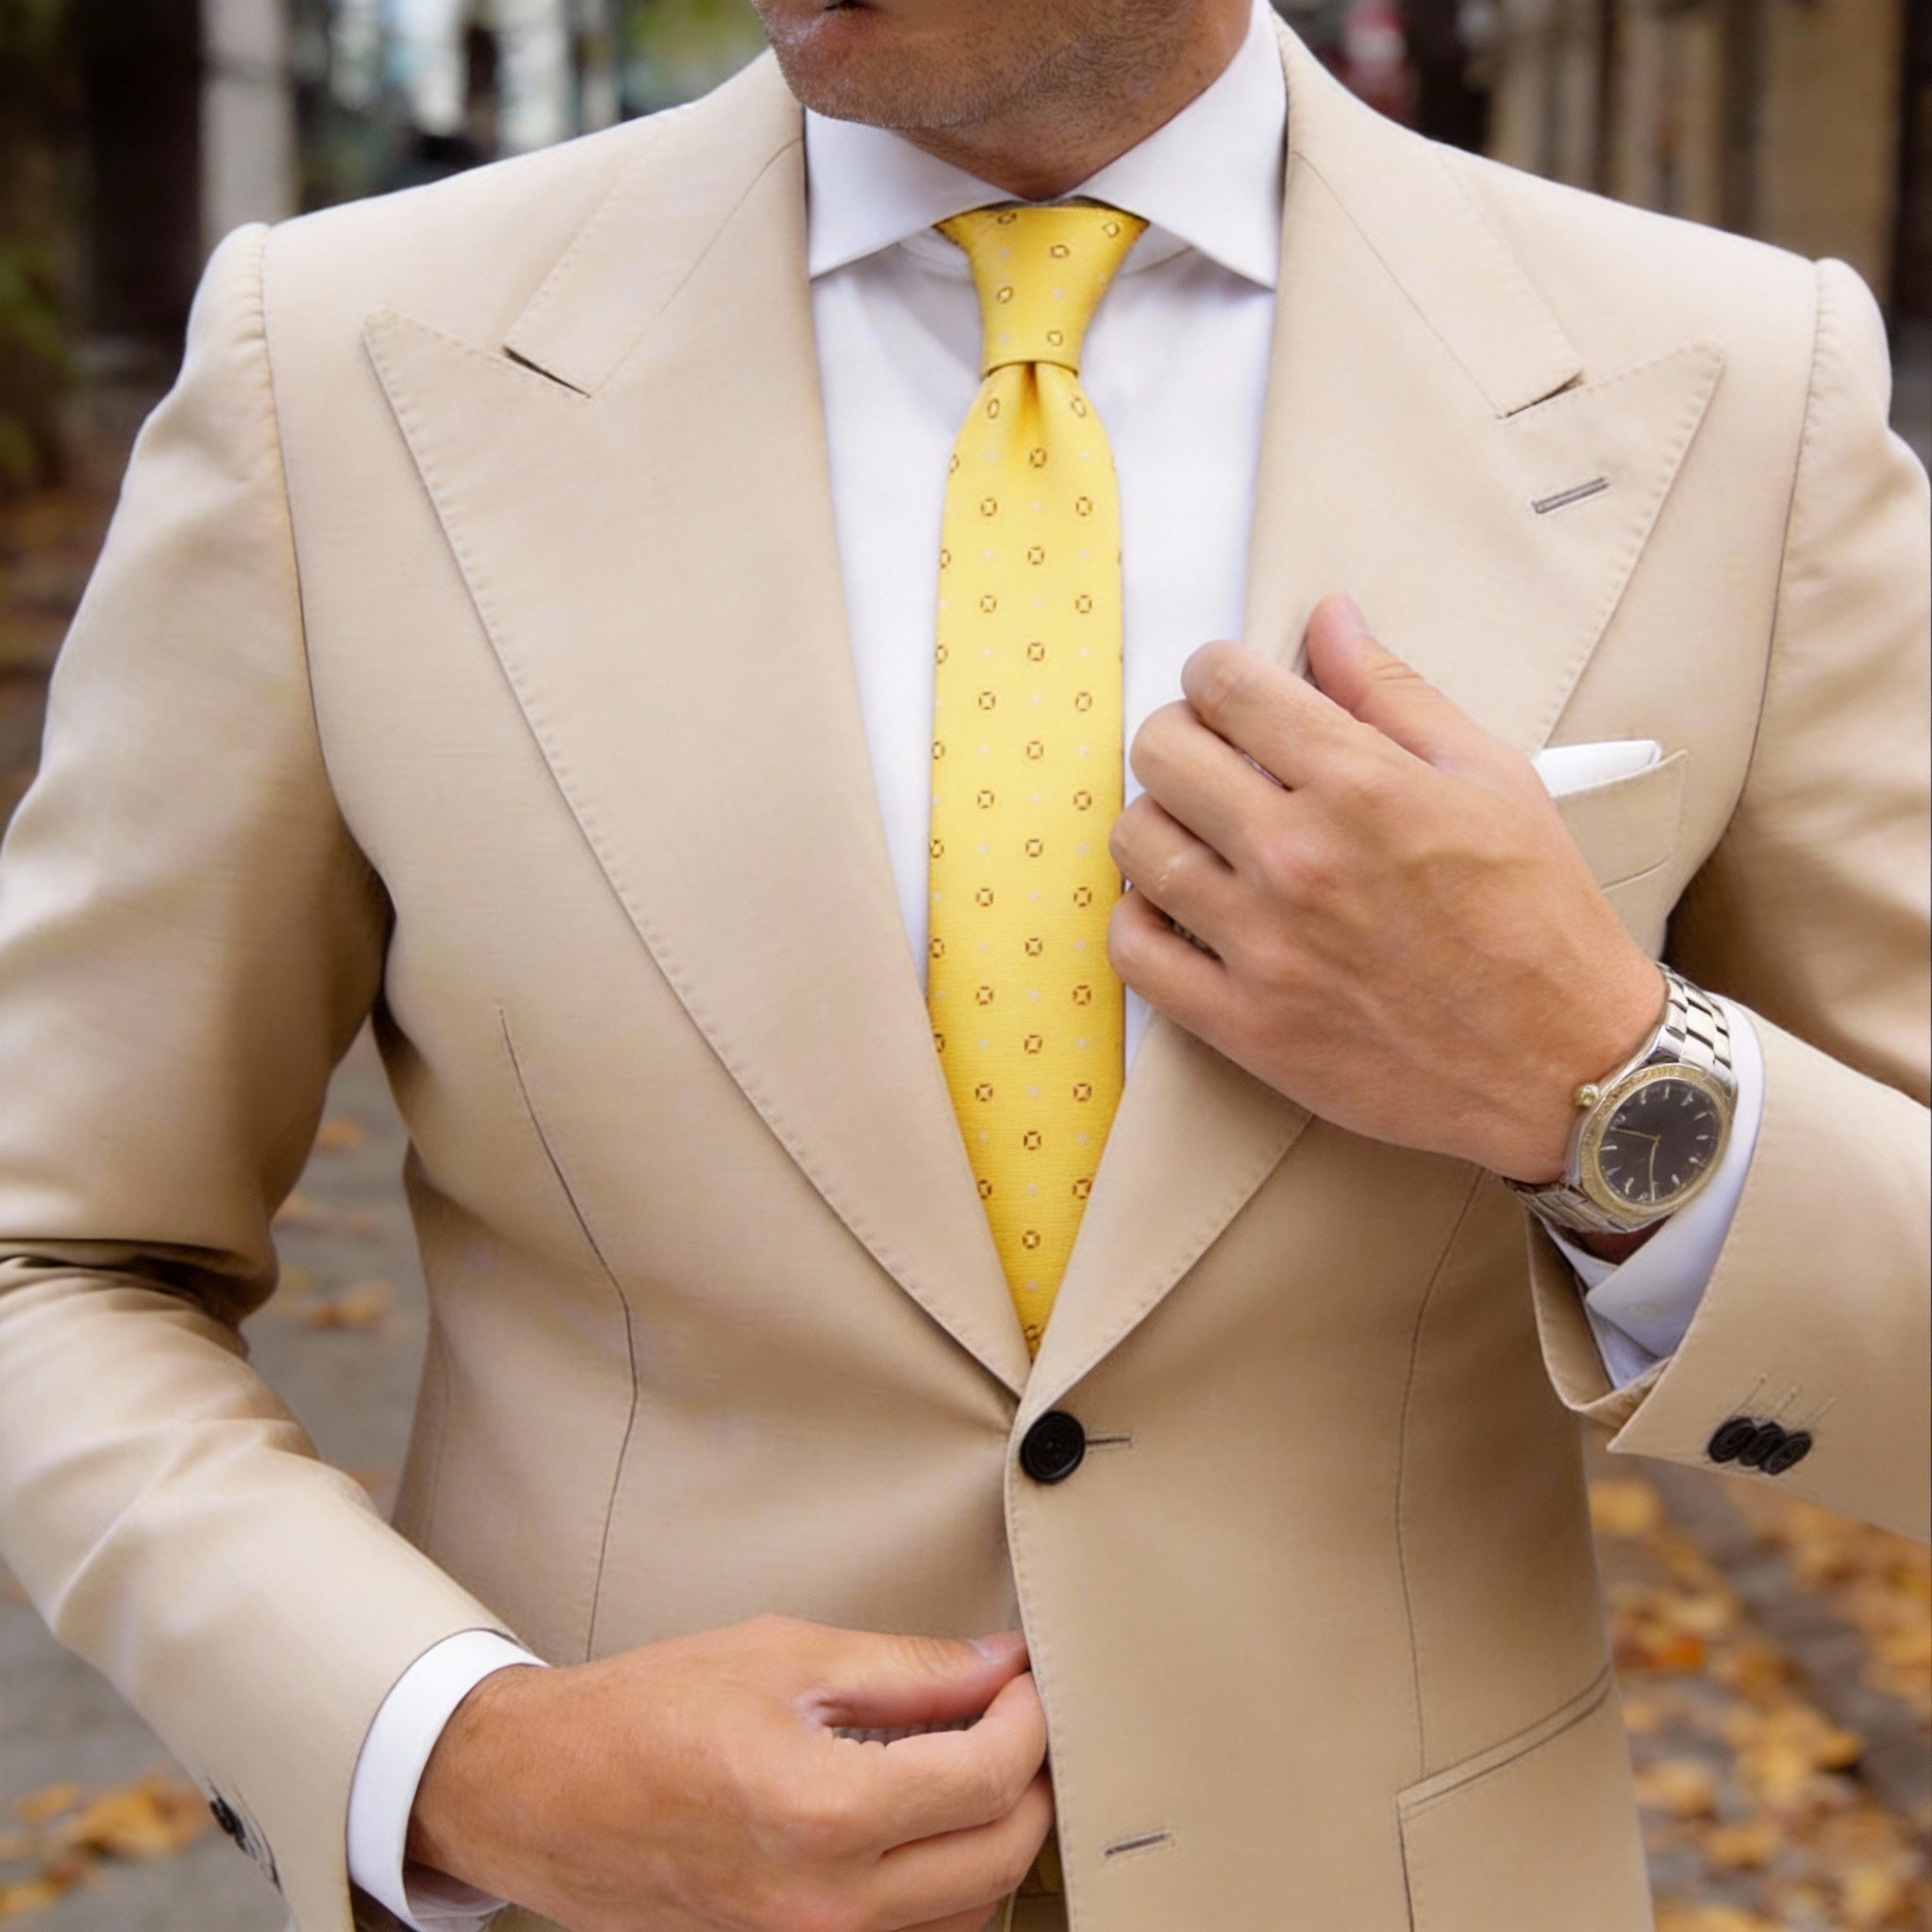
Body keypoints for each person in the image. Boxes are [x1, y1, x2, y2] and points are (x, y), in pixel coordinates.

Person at [0, 0, 1924, 1926]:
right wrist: (456, 1752)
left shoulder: (1738, 392)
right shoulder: (332, 367)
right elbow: (52, 1249)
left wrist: (1599, 1078)